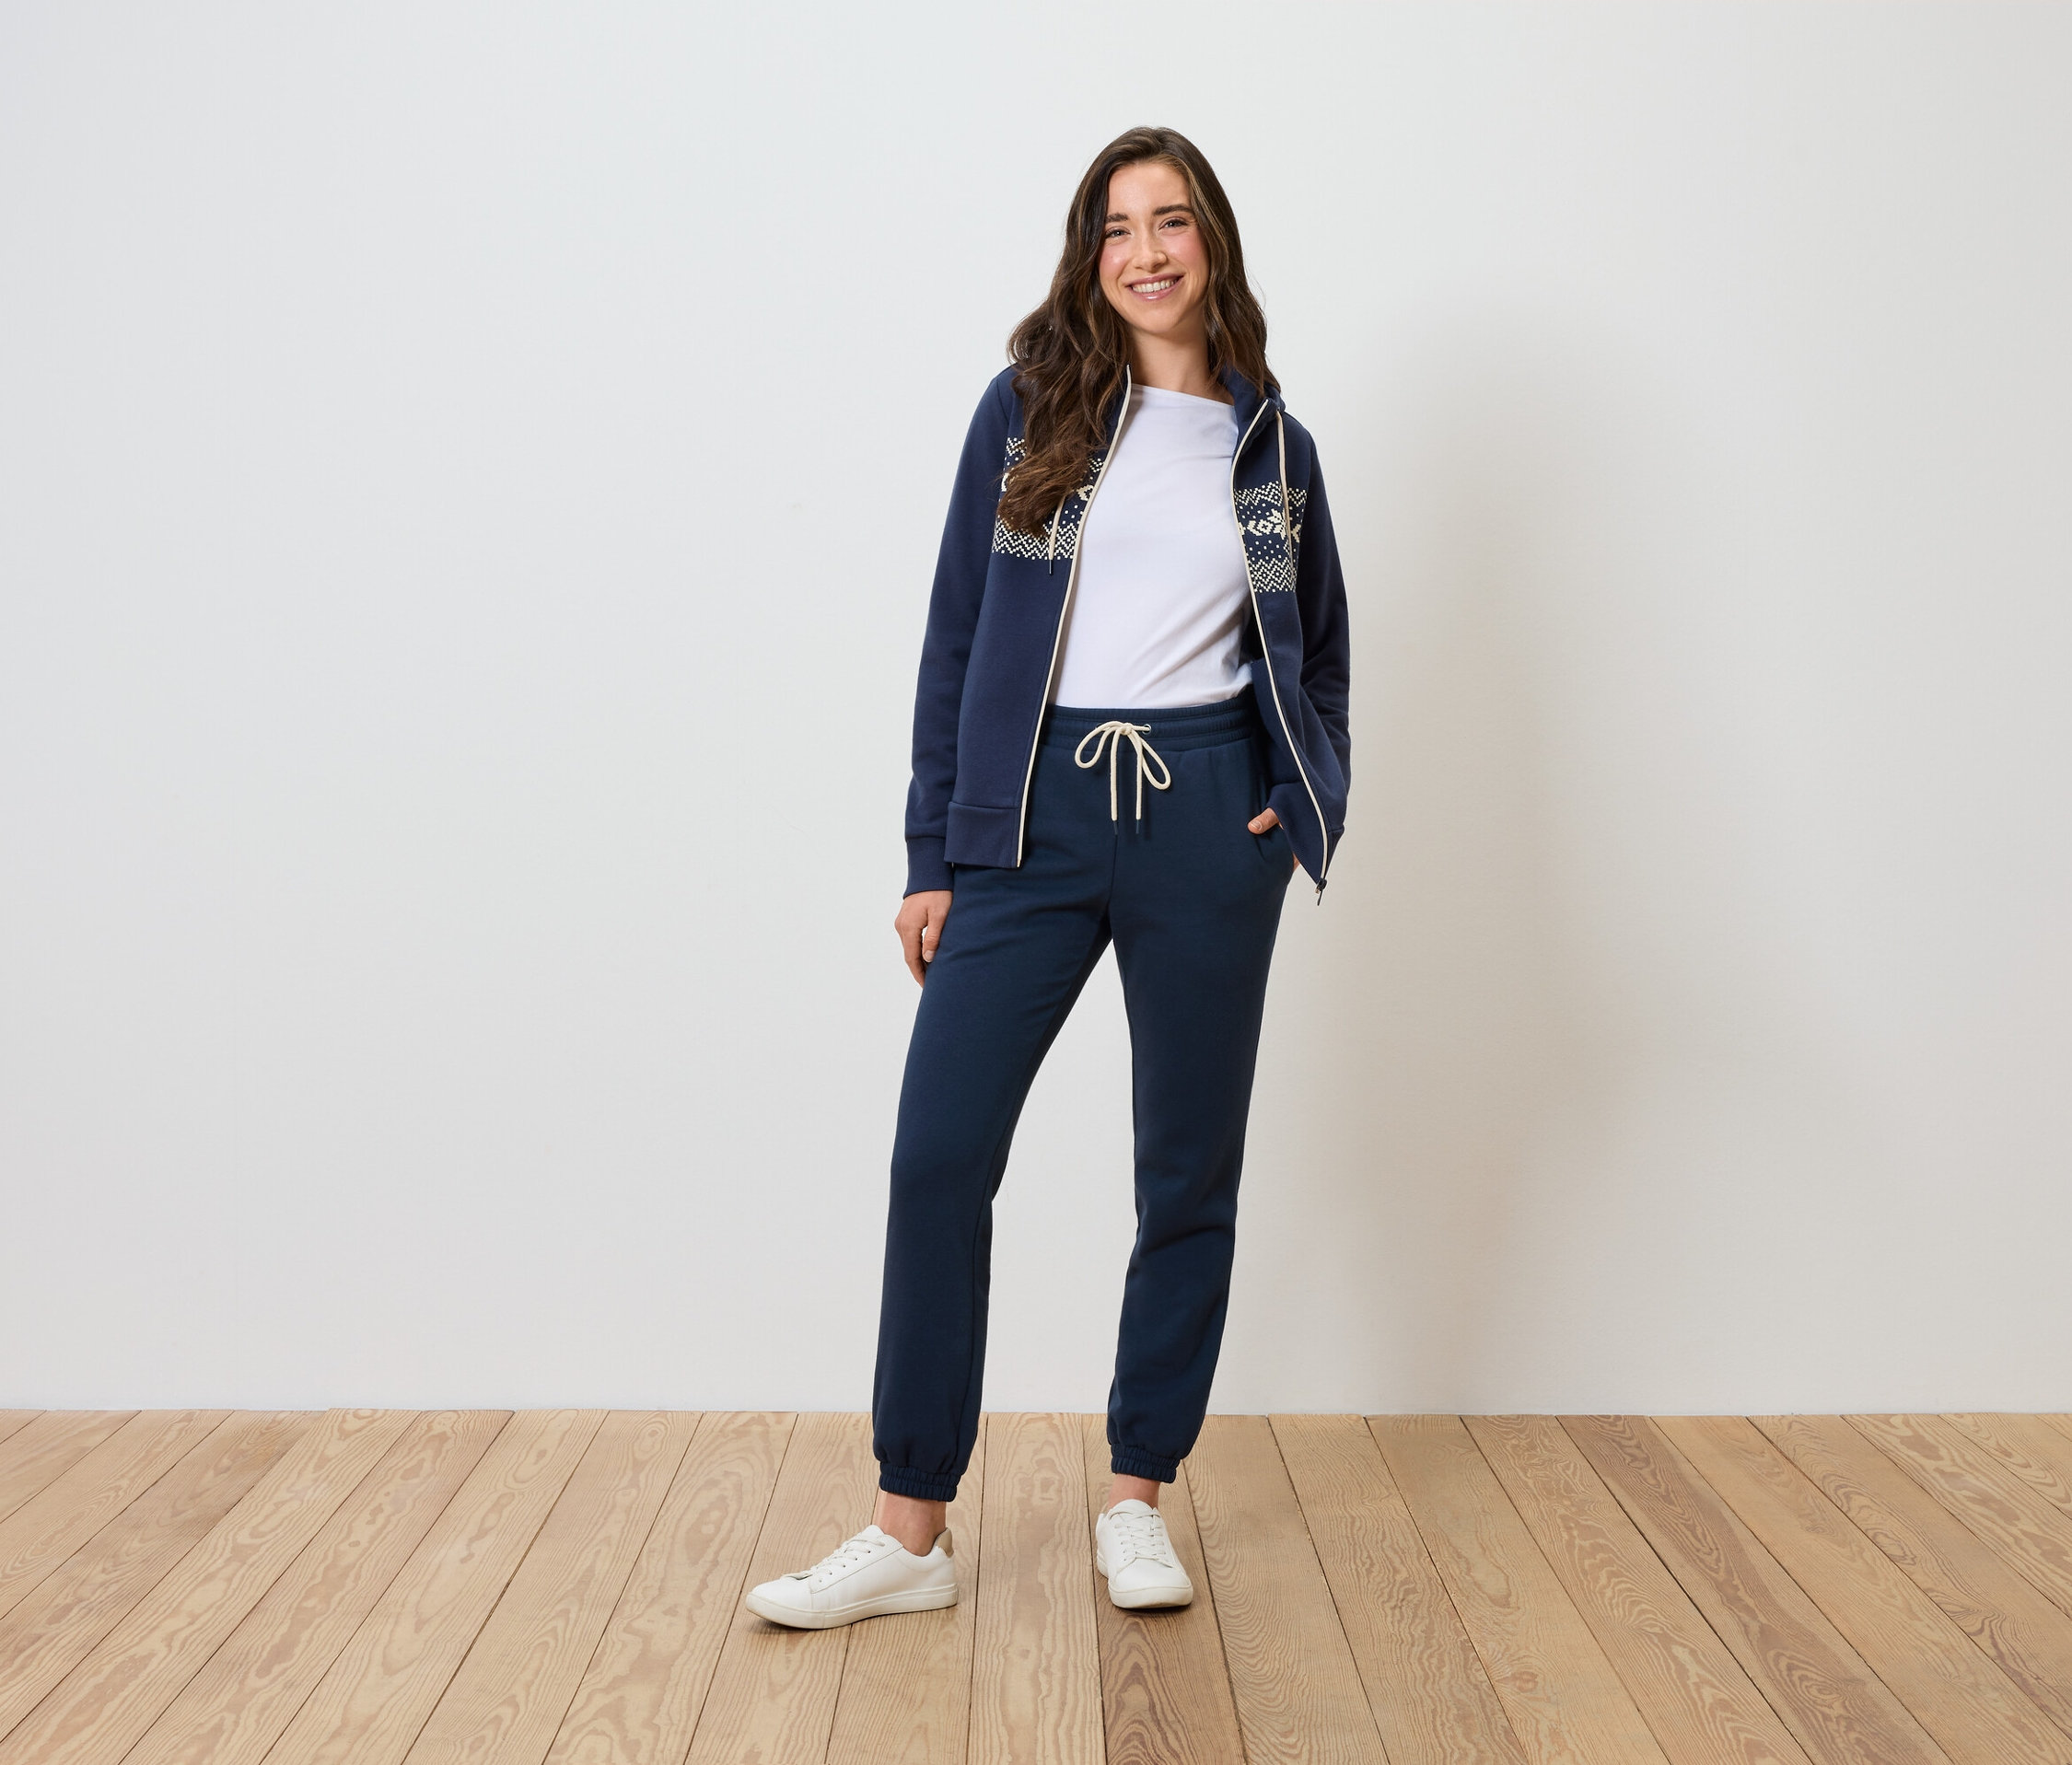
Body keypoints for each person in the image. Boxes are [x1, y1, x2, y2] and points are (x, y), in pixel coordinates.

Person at [744, 125, 1350, 1630]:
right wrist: (932, 849)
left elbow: (1319, 655)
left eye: (1171, 221)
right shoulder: (1030, 411)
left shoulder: (1272, 449)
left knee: (1183, 1170)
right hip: (1027, 817)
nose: (1146, 252)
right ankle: (909, 1527)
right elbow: (956, 634)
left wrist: (1296, 804)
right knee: (938, 1155)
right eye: (1117, 228)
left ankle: (1136, 1494)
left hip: (1207, 817)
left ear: (1211, 240)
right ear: (1091, 254)